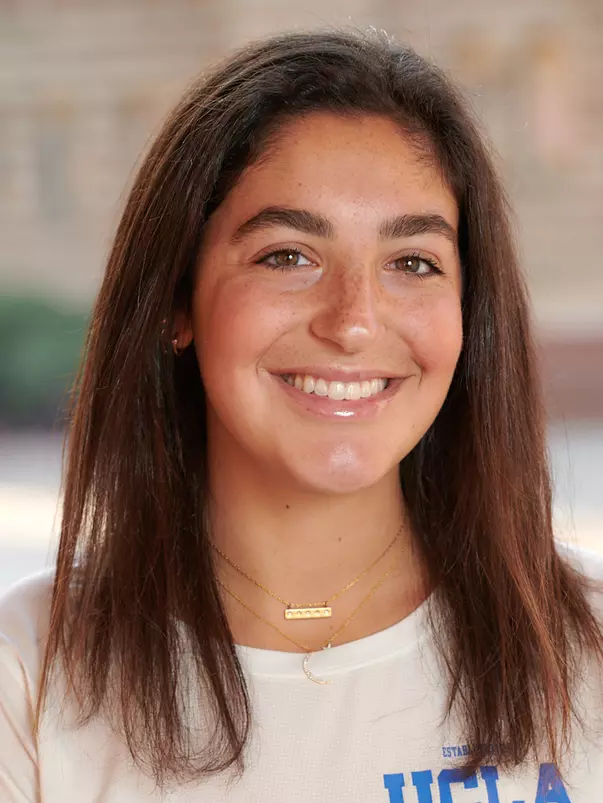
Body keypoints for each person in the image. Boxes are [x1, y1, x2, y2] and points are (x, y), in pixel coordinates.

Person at [0, 27, 602, 803]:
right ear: (176, 301)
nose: (352, 321)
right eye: (287, 256)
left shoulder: (584, 650)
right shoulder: (27, 673)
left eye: (412, 262)